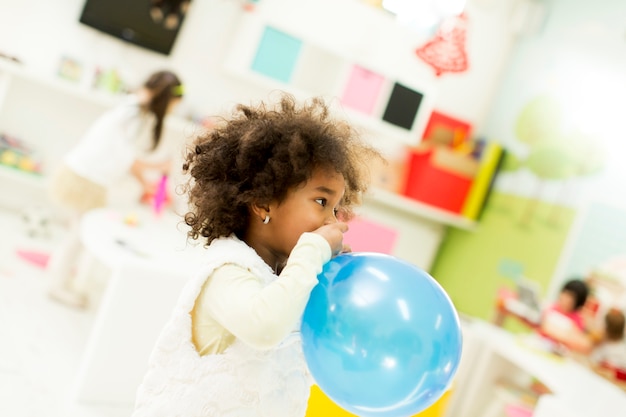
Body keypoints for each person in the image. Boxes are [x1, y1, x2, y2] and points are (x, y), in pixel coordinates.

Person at [131, 93, 382, 416]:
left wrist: (327, 287)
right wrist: (313, 251)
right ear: (263, 203)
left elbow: (300, 357)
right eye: (321, 202)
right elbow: (264, 327)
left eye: (337, 209)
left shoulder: (288, 280)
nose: (333, 221)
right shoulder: (228, 270)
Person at [46, 70, 184, 308]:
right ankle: (57, 285)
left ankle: (59, 277)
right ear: (167, 99)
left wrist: (146, 183)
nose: (172, 110)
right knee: (79, 235)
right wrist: (158, 167)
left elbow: (125, 159)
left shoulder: (133, 108)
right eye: (173, 105)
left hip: (86, 177)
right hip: (85, 180)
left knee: (78, 233)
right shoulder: (134, 116)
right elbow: (128, 159)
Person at [538, 278, 593, 353]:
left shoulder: (577, 320)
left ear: (578, 302)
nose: (565, 298)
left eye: (571, 297)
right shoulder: (552, 307)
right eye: (565, 293)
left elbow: (581, 343)